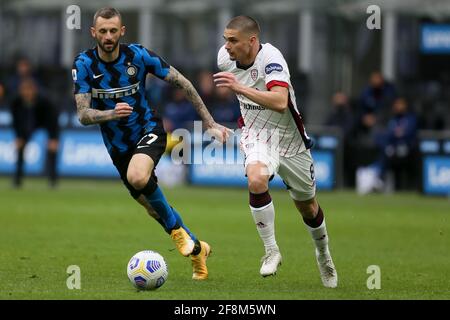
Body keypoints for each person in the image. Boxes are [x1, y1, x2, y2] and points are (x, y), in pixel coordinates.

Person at [72, 7, 231, 280]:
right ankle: (197, 250)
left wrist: (210, 123)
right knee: (151, 206)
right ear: (93, 33)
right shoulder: (84, 64)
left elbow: (184, 83)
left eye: (113, 31)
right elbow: (83, 115)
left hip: (149, 129)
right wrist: (111, 113)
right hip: (118, 147)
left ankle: (178, 234)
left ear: (122, 31)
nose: (108, 36)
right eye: (103, 31)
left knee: (137, 176)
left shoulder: (138, 56)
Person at [214, 16, 337, 287]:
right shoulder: (225, 58)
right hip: (258, 135)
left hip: (291, 140)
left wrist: (239, 88)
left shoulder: (272, 58)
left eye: (233, 40)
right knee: (256, 179)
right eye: (226, 39)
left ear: (252, 41)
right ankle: (271, 251)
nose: (227, 46)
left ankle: (323, 255)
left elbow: (281, 102)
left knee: (308, 206)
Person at [10, 77, 59, 188]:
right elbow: (16, 122)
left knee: (52, 148)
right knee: (20, 147)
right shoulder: (16, 102)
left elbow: (53, 120)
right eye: (24, 90)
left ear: (34, 90)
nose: (27, 93)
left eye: (29, 90)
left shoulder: (46, 101)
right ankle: (17, 180)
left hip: (46, 122)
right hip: (27, 125)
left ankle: (53, 180)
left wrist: (53, 138)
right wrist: (18, 137)